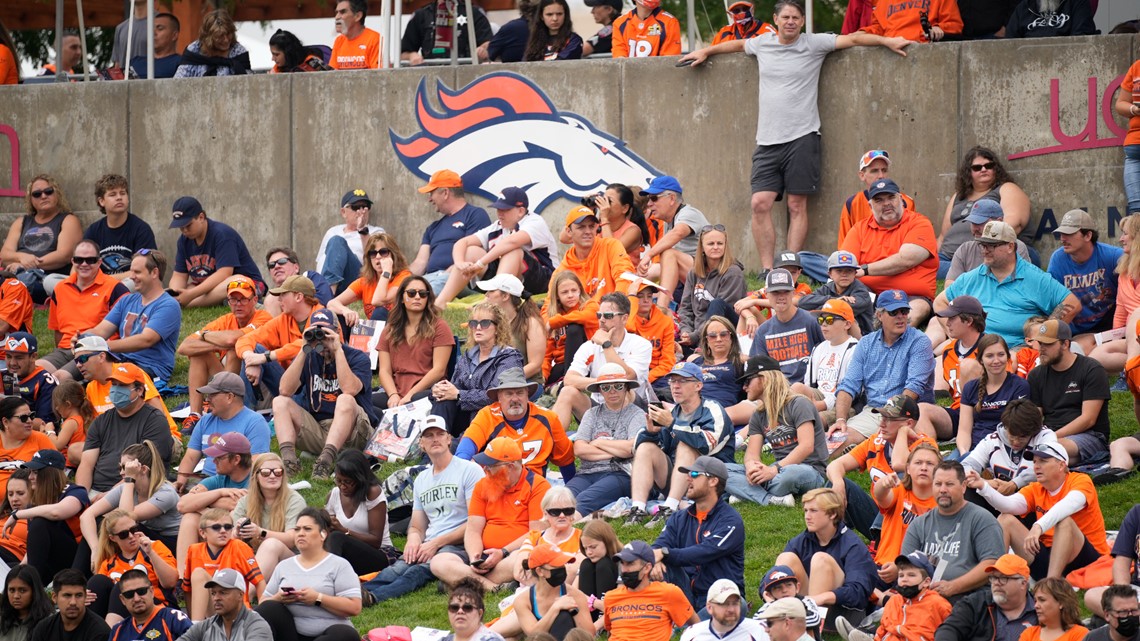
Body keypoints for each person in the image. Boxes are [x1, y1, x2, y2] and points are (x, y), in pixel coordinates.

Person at [680, 1, 909, 270]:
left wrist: (888, 42)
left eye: (796, 18)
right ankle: (768, 270)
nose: (790, 21)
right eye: (785, 17)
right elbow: (736, 45)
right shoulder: (762, 43)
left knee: (796, 205)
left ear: (802, 22)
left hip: (803, 136)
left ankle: (789, 268)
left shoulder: (815, 43)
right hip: (767, 140)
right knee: (759, 203)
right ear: (776, 19)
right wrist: (706, 51)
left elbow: (855, 37)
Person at [360, 416, 483, 606]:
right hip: (430, 542)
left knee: (417, 571)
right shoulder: (422, 479)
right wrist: (413, 542)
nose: (435, 439)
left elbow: (476, 522)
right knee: (398, 567)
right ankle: (355, 594)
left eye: (440, 434)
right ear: (421, 444)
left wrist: (435, 544)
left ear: (449, 439)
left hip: (458, 544)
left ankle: (374, 598)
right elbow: (417, 525)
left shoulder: (470, 471)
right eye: (429, 435)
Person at [969, 441, 1108, 580]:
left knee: (1064, 522)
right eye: (1035, 462)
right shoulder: (1036, 488)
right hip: (1047, 556)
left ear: (1061, 465)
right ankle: (994, 580)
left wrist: (1038, 527)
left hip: (1087, 559)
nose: (1036, 466)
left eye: (1043, 461)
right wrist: (983, 486)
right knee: (1005, 519)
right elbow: (1008, 505)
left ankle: (1051, 586)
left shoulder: (1081, 480)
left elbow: (1068, 505)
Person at [429, 437, 551, 592]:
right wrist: (475, 557)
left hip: (512, 553)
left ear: (510, 467)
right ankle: (493, 587)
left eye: (491, 466)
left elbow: (535, 533)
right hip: (484, 554)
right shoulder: (483, 485)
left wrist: (502, 552)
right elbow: (473, 529)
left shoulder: (538, 486)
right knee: (439, 562)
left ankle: (461, 580)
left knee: (524, 558)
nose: (485, 470)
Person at [938, 222, 1080, 350]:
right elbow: (940, 302)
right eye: (982, 245)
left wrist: (1044, 337)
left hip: (1017, 350)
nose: (985, 250)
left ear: (1010, 246)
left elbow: (1072, 303)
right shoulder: (973, 277)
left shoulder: (1034, 277)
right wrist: (955, 335)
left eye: (991, 245)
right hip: (976, 347)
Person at [626, 362, 734, 527]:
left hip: (711, 480)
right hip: (678, 481)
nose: (675, 386)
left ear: (698, 385)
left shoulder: (713, 409)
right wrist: (651, 433)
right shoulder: (671, 413)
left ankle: (669, 508)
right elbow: (637, 447)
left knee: (686, 445)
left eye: (682, 381)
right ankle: (637, 509)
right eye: (672, 381)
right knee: (646, 447)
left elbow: (706, 444)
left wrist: (672, 425)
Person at [273, 309, 376, 478]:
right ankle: (289, 462)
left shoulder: (358, 358)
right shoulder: (309, 356)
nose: (322, 339)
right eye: (317, 333)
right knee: (280, 402)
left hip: (354, 432)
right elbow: (284, 390)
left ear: (337, 332)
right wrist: (303, 349)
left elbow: (349, 389)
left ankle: (325, 463)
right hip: (320, 430)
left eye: (325, 333)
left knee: (345, 399)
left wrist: (337, 350)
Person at [829, 291, 935, 450]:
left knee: (842, 441)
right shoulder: (866, 343)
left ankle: (865, 448)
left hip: (907, 413)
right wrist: (840, 420)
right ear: (879, 315)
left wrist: (890, 417)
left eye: (904, 311)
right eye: (894, 312)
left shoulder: (919, 341)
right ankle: (863, 447)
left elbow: (914, 387)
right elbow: (848, 385)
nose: (901, 316)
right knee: (835, 440)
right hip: (873, 411)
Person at [825, 394, 936, 539]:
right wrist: (838, 483)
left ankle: (878, 543)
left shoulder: (925, 445)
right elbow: (835, 465)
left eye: (890, 419)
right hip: (878, 513)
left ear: (909, 424)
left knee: (902, 476)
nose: (882, 424)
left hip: (908, 524)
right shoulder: (875, 442)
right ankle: (832, 540)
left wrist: (902, 434)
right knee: (834, 483)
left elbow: (899, 465)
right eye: (882, 417)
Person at [727, 355, 827, 507]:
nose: (744, 387)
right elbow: (752, 453)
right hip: (776, 471)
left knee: (788, 476)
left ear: (764, 379)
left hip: (808, 470)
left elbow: (806, 446)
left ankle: (745, 491)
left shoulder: (799, 403)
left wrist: (774, 470)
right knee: (718, 470)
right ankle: (773, 499)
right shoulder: (758, 414)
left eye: (748, 381)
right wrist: (751, 467)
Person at [436, 187, 558, 310]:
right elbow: (463, 242)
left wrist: (480, 264)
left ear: (520, 211)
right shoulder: (497, 225)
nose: (500, 213)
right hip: (508, 280)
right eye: (498, 208)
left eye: (505, 209)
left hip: (545, 281)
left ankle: (488, 304)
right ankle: (440, 303)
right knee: (471, 251)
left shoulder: (535, 221)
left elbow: (511, 242)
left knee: (512, 251)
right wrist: (460, 263)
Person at [899, 462, 1005, 601]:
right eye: (938, 484)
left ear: (963, 487)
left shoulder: (982, 519)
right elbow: (905, 567)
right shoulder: (919, 525)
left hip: (969, 600)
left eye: (949, 484)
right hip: (923, 600)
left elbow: (992, 564)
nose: (943, 489)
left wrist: (953, 587)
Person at [177, 279, 275, 426]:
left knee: (235, 349)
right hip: (233, 377)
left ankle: (228, 408)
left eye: (243, 299)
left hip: (260, 387)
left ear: (255, 300)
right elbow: (184, 347)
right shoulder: (226, 320)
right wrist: (214, 343)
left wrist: (205, 335)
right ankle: (195, 415)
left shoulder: (264, 317)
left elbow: (231, 340)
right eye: (233, 300)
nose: (238, 304)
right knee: (199, 355)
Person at [652, 456, 744, 610]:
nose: (688, 479)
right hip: (685, 591)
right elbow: (658, 546)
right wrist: (655, 559)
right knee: (635, 553)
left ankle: (683, 623)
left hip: (719, 596)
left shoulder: (731, 521)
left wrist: (665, 554)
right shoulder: (679, 518)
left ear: (713, 481)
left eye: (694, 475)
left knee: (726, 610)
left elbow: (705, 551)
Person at [254, 508, 361, 641]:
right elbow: (263, 603)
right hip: (291, 634)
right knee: (268, 609)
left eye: (307, 529)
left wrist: (318, 598)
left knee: (345, 634)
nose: (301, 533)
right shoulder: (284, 566)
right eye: (297, 529)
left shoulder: (339, 565)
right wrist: (279, 598)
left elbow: (354, 607)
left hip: (329, 632)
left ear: (323, 534)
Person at [841, 179, 938, 326]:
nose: (886, 203)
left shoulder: (920, 223)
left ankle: (890, 333)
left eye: (891, 197)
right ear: (870, 205)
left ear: (901, 199)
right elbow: (844, 264)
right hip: (869, 294)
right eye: (879, 200)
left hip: (911, 297)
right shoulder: (859, 229)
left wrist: (865, 270)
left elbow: (906, 260)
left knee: (919, 308)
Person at [551, 293, 651, 431]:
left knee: (623, 390)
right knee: (567, 392)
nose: (602, 320)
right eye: (599, 316)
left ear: (624, 318)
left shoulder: (641, 344)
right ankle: (552, 444)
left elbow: (628, 377)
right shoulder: (589, 346)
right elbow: (569, 380)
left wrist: (606, 345)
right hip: (599, 408)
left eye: (608, 316)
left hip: (633, 408)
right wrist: (602, 383)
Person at [79, 440, 181, 572]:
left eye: (126, 468)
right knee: (100, 524)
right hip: (140, 536)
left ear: (143, 469)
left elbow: (125, 518)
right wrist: (95, 548)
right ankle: (78, 579)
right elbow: (87, 516)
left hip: (169, 544)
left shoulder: (166, 493)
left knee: (121, 529)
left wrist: (129, 479)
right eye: (120, 468)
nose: (122, 473)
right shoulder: (126, 487)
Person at [776, 488, 876, 620]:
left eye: (813, 511)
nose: (807, 516)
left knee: (820, 559)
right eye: (806, 510)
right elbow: (772, 577)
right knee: (786, 558)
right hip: (810, 603)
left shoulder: (853, 545)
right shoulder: (801, 541)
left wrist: (823, 597)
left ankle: (813, 627)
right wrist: (766, 591)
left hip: (845, 614)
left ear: (832, 514)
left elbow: (858, 592)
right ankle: (785, 619)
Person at [76, 363, 174, 495]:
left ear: (139, 390)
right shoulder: (101, 421)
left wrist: (107, 497)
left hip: (134, 491)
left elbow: (143, 471)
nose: (116, 390)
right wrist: (80, 496)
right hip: (96, 491)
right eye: (114, 385)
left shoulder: (155, 421)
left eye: (122, 385)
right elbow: (86, 465)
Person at [86, 249, 182, 382]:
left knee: (106, 382)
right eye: (131, 271)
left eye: (137, 272)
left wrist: (103, 346)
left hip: (150, 367)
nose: (131, 276)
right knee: (72, 373)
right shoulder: (127, 300)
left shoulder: (168, 305)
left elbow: (146, 339)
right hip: (121, 360)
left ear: (154, 272)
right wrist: (83, 339)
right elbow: (100, 330)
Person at [458, 368, 574, 478]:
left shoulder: (548, 418)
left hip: (534, 486)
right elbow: (465, 449)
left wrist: (571, 491)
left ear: (527, 394)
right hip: (497, 485)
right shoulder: (487, 415)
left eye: (519, 393)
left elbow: (566, 459)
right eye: (509, 393)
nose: (515, 399)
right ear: (499, 397)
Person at [40, 239, 129, 382]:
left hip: (95, 351)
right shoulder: (60, 288)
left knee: (58, 379)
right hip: (65, 350)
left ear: (99, 262)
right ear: (72, 261)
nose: (84, 264)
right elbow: (57, 330)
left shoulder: (115, 288)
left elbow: (127, 329)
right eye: (79, 260)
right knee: (34, 372)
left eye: (90, 260)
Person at [72, 336, 180, 450]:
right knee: (75, 450)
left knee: (129, 454)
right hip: (120, 443)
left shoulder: (130, 373)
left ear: (101, 356)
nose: (78, 365)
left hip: (155, 439)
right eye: (76, 361)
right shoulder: (91, 388)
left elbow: (158, 415)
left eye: (83, 359)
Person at [1026, 319, 1111, 465]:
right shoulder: (1036, 375)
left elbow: (1088, 419)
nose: (1041, 349)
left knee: (1046, 451)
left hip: (1089, 435)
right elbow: (1036, 416)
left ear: (1065, 344)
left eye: (1048, 344)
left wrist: (1050, 437)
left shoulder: (1091, 369)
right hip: (1051, 436)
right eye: (1040, 343)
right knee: (1040, 454)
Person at [431, 303, 524, 435]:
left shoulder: (509, 357)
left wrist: (459, 395)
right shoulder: (469, 355)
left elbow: (497, 395)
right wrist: (441, 389)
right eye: (474, 323)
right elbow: (455, 386)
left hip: (491, 417)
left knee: (464, 406)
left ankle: (448, 447)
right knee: (441, 399)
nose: (478, 328)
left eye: (485, 323)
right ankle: (434, 445)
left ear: (498, 328)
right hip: (464, 414)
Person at [174, 432, 256, 578]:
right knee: (190, 517)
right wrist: (220, 492)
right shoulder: (219, 480)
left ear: (236, 459)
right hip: (221, 529)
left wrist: (202, 502)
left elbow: (235, 505)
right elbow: (183, 504)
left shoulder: (255, 480)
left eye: (219, 457)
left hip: (247, 538)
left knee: (219, 516)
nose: (214, 461)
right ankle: (183, 577)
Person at [940, 147, 1033, 275]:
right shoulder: (958, 196)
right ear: (968, 172)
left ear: (996, 169)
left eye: (989, 165)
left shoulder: (1007, 188)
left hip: (987, 255)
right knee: (922, 266)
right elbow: (943, 236)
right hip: (948, 257)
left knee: (929, 270)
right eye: (977, 168)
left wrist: (983, 249)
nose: (984, 169)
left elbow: (1012, 226)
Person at [565, 364, 643, 517]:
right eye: (606, 387)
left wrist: (598, 443)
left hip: (620, 473)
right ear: (600, 390)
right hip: (587, 472)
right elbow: (579, 449)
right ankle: (539, 535)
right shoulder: (592, 413)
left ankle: (563, 531)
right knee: (561, 498)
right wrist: (617, 451)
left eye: (618, 386)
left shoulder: (637, 414)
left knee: (582, 501)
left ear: (626, 388)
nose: (612, 391)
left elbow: (630, 448)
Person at [6, 450, 89, 586]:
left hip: (78, 559)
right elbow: (34, 549)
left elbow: (58, 512)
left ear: (50, 473)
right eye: (30, 472)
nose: (30, 477)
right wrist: (18, 571)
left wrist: (17, 514)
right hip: (51, 562)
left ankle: (32, 587)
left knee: (39, 523)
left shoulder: (75, 491)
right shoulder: (34, 503)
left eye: (36, 472)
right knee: (12, 568)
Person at [373, 276, 455, 410]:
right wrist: (393, 395)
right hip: (397, 391)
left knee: (416, 400)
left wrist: (410, 395)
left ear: (428, 298)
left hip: (427, 392)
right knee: (364, 401)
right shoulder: (389, 329)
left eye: (423, 294)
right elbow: (384, 371)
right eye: (411, 293)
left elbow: (438, 371)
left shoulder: (440, 327)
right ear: (401, 298)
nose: (417, 297)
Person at [168, 197, 267, 308]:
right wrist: (175, 294)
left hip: (245, 284)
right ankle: (179, 302)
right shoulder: (183, 240)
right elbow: (179, 275)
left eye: (188, 225)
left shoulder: (222, 234)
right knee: (189, 288)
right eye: (181, 227)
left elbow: (224, 273)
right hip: (210, 288)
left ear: (201, 217)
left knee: (235, 281)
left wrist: (191, 295)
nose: (185, 230)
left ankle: (189, 304)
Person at [962, 399, 1057, 512]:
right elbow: (966, 465)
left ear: (1033, 432)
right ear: (1005, 427)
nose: (1016, 442)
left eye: (1022, 437)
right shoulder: (992, 440)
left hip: (1031, 504)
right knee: (967, 487)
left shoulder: (1045, 436)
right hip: (999, 499)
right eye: (1012, 435)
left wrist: (1014, 484)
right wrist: (984, 483)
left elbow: (1048, 466)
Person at [1048, 209, 1123, 350]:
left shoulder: (1112, 256)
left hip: (1109, 326)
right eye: (1062, 233)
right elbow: (1054, 301)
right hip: (1075, 329)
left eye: (1069, 234)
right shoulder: (1058, 259)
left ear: (1088, 235)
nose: (1063, 238)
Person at [88, 510, 179, 624]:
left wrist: (150, 553)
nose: (131, 536)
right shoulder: (108, 563)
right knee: (97, 582)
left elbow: (170, 582)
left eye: (134, 530)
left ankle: (110, 635)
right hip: (126, 615)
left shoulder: (154, 547)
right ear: (113, 538)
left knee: (123, 587)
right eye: (124, 534)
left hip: (158, 608)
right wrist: (84, 597)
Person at [2, 175, 82, 304]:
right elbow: (5, 254)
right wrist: (22, 257)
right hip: (17, 274)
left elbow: (64, 255)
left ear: (57, 193)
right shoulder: (21, 222)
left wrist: (24, 265)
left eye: (48, 191)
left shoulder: (68, 220)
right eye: (37, 194)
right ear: (31, 200)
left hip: (46, 277)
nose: (43, 196)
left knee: (19, 285)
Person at [410, 171, 492, 294]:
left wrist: (443, 276)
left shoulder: (475, 215)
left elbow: (471, 258)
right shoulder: (433, 227)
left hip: (460, 278)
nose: (429, 199)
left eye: (431, 193)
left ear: (445, 193)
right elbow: (420, 262)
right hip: (430, 279)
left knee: (421, 294)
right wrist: (401, 279)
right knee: (402, 291)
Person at [840, 551, 951, 641]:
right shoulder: (895, 601)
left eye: (911, 575)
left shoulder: (938, 604)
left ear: (926, 582)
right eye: (901, 575)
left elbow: (952, 632)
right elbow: (883, 628)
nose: (904, 579)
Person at [919, 296, 986, 441]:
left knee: (969, 366)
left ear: (969, 321)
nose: (947, 323)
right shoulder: (949, 350)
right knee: (921, 410)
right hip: (958, 413)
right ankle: (929, 456)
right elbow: (953, 391)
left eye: (952, 318)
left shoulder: (991, 348)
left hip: (986, 414)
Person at [231, 454, 307, 581]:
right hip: (255, 557)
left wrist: (260, 532)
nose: (272, 476)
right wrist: (237, 532)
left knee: (270, 544)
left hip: (290, 560)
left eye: (278, 472)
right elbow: (230, 540)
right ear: (256, 476)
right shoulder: (245, 501)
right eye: (266, 472)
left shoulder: (294, 500)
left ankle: (247, 595)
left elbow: (292, 539)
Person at [603, 540, 698, 641]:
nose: (624, 570)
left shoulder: (668, 593)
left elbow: (697, 625)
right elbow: (612, 631)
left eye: (630, 563)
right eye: (622, 563)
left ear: (647, 568)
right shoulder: (611, 597)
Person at [638, 177, 710, 309]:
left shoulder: (688, 213)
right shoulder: (669, 221)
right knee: (647, 272)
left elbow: (678, 232)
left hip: (713, 280)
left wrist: (649, 255)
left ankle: (662, 309)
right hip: (695, 278)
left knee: (669, 254)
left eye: (654, 198)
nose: (648, 203)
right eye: (648, 199)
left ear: (671, 198)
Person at [178, 381, 269, 485]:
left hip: (236, 485)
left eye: (212, 395)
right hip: (206, 482)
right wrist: (181, 482)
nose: (207, 399)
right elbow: (190, 457)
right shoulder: (205, 420)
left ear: (229, 397)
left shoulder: (255, 422)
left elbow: (256, 464)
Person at [323, 449, 396, 576]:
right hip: (348, 555)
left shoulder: (372, 493)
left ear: (360, 479)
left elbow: (376, 541)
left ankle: (328, 578)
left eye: (348, 482)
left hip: (379, 554)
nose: (342, 486)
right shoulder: (334, 495)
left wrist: (344, 530)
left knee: (337, 537)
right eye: (338, 481)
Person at [181, 509, 263, 620]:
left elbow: (259, 582)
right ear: (202, 533)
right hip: (211, 610)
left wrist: (263, 616)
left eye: (228, 527)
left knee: (200, 573)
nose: (223, 531)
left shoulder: (239, 546)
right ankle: (196, 627)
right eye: (216, 527)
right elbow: (188, 590)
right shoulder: (194, 550)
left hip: (237, 611)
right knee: (199, 573)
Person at [956, 335, 1030, 457]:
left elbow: (1020, 428)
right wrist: (965, 453)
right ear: (980, 360)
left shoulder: (1020, 386)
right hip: (974, 447)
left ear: (1008, 357)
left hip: (1004, 448)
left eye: (1001, 354)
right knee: (948, 470)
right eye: (989, 356)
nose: (996, 360)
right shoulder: (970, 387)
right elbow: (964, 430)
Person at [935, 554, 1037, 641]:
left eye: (1003, 578)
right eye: (994, 577)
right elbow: (949, 629)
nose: (996, 583)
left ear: (1023, 584)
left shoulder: (1040, 610)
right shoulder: (975, 603)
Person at [870, 443, 940, 568]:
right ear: (907, 468)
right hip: (884, 566)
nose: (924, 468)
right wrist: (883, 484)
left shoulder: (942, 504)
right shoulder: (900, 490)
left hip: (918, 574)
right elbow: (881, 497)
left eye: (930, 464)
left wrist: (900, 569)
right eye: (918, 463)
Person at [749, 268, 824, 382]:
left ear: (793, 292)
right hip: (777, 390)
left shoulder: (811, 321)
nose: (781, 296)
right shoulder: (763, 331)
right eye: (775, 292)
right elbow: (757, 370)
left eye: (786, 291)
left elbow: (828, 353)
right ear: (766, 294)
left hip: (807, 388)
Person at [678, 225, 746, 347]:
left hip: (726, 330)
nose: (715, 247)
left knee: (716, 304)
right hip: (697, 334)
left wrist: (695, 336)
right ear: (702, 247)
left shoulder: (733, 273)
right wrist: (686, 332)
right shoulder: (694, 273)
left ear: (725, 246)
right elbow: (685, 308)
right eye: (710, 244)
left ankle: (703, 346)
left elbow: (722, 313)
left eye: (720, 243)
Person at [549, 206, 636, 301]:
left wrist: (615, 306)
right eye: (581, 227)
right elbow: (548, 305)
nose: (588, 231)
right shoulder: (563, 269)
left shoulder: (611, 246)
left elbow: (625, 277)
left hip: (612, 312)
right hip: (579, 315)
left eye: (591, 226)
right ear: (569, 231)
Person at [83, 174, 158, 282]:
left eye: (123, 193)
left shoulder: (141, 229)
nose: (119, 197)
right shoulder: (93, 230)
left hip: (128, 285)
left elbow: (144, 270)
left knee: (132, 283)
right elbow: (77, 267)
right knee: (51, 280)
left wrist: (103, 280)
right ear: (101, 201)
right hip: (97, 286)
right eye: (113, 194)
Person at [795, 299, 860, 426]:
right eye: (820, 320)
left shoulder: (855, 349)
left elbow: (850, 389)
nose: (823, 324)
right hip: (819, 396)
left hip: (844, 403)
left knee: (814, 418)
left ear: (847, 324)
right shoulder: (819, 348)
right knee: (796, 388)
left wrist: (822, 405)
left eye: (829, 320)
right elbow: (809, 384)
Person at [1089, 214, 1140, 373]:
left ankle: (1130, 373)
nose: (1121, 239)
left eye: (1125, 233)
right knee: (1097, 355)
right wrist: (1115, 335)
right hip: (1133, 339)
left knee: (1137, 315)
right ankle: (1133, 366)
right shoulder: (1124, 272)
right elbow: (1120, 310)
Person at [477, 275, 548, 386]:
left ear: (505, 296)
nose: (486, 295)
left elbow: (535, 365)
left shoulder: (531, 323)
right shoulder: (491, 323)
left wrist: (504, 381)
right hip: (496, 384)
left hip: (527, 384)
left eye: (491, 291)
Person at [836, 150, 916, 248]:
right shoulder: (852, 204)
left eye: (884, 170)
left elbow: (912, 242)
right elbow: (844, 247)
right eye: (874, 171)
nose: (881, 176)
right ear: (862, 175)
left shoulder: (906, 202)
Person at [512, 543, 592, 640]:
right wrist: (555, 608)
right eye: (556, 567)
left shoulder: (575, 595)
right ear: (540, 571)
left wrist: (574, 611)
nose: (562, 570)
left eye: (563, 565)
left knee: (564, 616)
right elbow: (534, 636)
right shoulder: (522, 601)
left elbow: (590, 634)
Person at [943, 200, 1032, 287]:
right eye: (972, 223)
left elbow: (1025, 283)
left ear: (999, 221)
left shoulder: (1016, 247)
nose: (975, 228)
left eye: (980, 222)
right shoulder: (965, 249)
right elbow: (949, 285)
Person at [327, 232, 411, 323]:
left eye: (383, 252)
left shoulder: (404, 277)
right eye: (373, 253)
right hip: (373, 332)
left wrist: (386, 272)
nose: (378, 257)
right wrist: (346, 311)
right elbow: (331, 304)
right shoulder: (365, 281)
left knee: (380, 311)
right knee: (336, 314)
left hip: (396, 331)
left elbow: (378, 301)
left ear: (394, 255)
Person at [691, 317, 755, 425]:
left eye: (724, 334)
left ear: (732, 337)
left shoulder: (742, 360)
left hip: (724, 412)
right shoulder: (694, 361)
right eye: (712, 336)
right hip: (692, 409)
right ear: (706, 340)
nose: (718, 339)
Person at [178, 569, 272, 641]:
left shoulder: (257, 625)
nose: (216, 598)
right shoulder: (206, 626)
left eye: (223, 592)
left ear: (240, 595)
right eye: (213, 593)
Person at [315, 190, 376, 296]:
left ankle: (327, 296)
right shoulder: (333, 231)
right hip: (332, 280)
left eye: (365, 207)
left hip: (358, 279)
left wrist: (362, 230)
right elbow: (321, 261)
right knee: (336, 240)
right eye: (356, 207)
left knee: (337, 241)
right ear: (343, 212)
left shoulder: (375, 232)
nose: (361, 211)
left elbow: (375, 259)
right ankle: (326, 292)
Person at [798, 250, 873, 336]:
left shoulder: (862, 291)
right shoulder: (828, 287)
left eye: (849, 270)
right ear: (830, 274)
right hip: (834, 336)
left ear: (855, 273)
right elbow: (803, 302)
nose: (844, 274)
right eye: (839, 271)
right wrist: (833, 300)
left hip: (861, 339)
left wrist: (820, 306)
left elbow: (839, 312)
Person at [104, 568, 191, 641]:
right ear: (122, 599)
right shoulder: (118, 630)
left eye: (141, 591)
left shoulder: (174, 619)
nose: (137, 599)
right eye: (129, 594)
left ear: (152, 591)